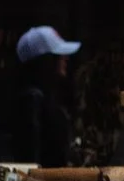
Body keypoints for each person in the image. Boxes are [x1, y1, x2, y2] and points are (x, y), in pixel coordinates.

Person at [13, 23, 81, 169]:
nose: (65, 58)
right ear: (45, 60)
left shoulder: (49, 98)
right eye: (58, 54)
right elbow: (31, 160)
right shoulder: (32, 100)